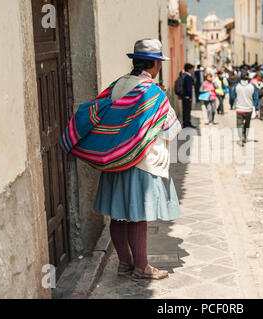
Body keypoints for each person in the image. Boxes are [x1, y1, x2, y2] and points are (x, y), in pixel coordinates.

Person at [61, 39, 182, 281]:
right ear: (155, 65)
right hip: (140, 161)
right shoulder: (153, 93)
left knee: (118, 215)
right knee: (138, 216)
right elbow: (170, 128)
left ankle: (124, 264)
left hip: (115, 160)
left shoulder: (117, 86)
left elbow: (106, 114)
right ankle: (142, 267)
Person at [230, 71, 260, 146]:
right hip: (249, 109)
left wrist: (231, 104)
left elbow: (232, 97)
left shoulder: (236, 86)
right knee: (247, 124)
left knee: (239, 124)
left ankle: (241, 138)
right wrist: (257, 109)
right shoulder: (252, 86)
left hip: (239, 109)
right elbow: (256, 98)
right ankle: (245, 137)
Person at [182, 63, 196, 129]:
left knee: (186, 110)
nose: (193, 70)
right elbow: (189, 88)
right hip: (187, 97)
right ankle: (186, 123)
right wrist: (190, 97)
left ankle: (187, 122)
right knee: (187, 110)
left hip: (184, 96)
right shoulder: (188, 77)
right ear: (189, 69)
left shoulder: (184, 75)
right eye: (192, 69)